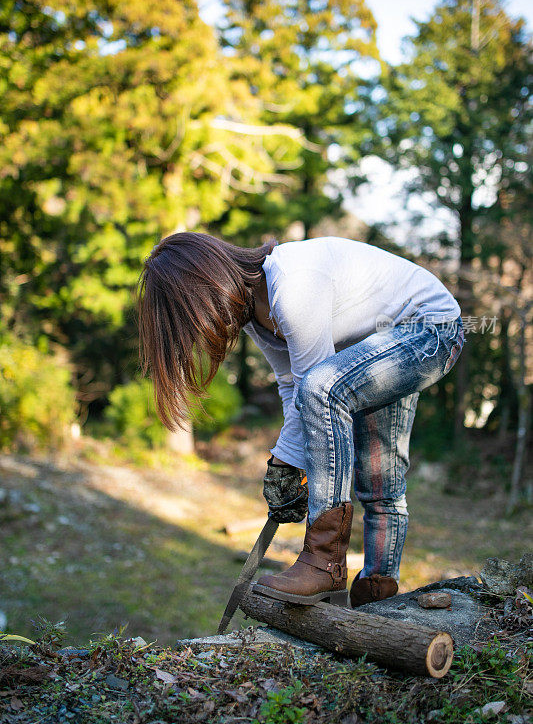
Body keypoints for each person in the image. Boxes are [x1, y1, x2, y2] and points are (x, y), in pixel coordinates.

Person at [137, 232, 465, 609]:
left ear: (208, 283)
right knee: (381, 480)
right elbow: (293, 387)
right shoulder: (253, 313)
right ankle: (377, 596)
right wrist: (283, 463)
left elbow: (316, 389)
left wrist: (286, 460)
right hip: (381, 340)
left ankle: (323, 564)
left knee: (325, 390)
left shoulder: (291, 286)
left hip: (430, 329)